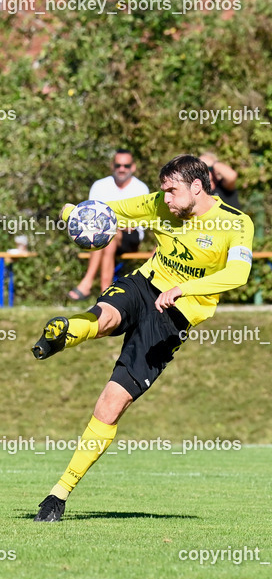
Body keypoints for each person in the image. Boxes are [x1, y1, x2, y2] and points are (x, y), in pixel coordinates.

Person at [32, 155, 253, 521]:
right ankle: (65, 333)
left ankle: (58, 494)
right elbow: (109, 212)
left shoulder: (236, 223)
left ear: (197, 187)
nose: (164, 198)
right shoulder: (158, 205)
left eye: (172, 191)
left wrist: (184, 289)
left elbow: (238, 274)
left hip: (174, 317)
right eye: (163, 190)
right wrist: (72, 212)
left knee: (110, 405)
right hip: (144, 285)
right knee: (105, 317)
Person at [69, 150, 150, 301]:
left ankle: (89, 283)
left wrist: (111, 224)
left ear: (133, 167)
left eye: (126, 165)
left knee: (106, 233)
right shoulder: (100, 185)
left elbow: (139, 222)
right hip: (106, 235)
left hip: (131, 236)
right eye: (118, 165)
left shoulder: (141, 188)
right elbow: (89, 216)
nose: (122, 169)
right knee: (106, 236)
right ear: (112, 165)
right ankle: (105, 295)